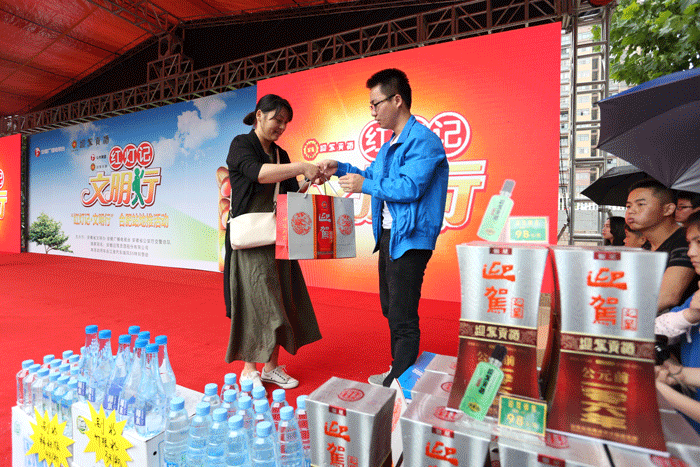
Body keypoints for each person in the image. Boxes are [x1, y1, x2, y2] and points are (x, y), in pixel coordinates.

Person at [319, 68, 449, 387]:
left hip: (411, 239)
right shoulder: (390, 145)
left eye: (375, 104)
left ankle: (400, 382)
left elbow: (410, 187)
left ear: (397, 100)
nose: (372, 112)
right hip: (391, 236)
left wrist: (364, 185)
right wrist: (340, 168)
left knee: (402, 314)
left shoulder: (424, 141)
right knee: (392, 308)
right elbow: (372, 175)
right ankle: (399, 371)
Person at [223, 94, 324, 389]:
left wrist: (312, 178)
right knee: (256, 303)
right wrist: (301, 166)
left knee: (282, 300)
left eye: (285, 122)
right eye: (277, 120)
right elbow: (258, 174)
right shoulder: (241, 144)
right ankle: (249, 370)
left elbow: (291, 192)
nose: (281, 127)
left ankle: (271, 367)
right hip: (251, 240)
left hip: (278, 238)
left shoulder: (281, 154)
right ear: (259, 116)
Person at [655, 212, 700, 435]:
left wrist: (665, 392)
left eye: (699, 243)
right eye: (690, 243)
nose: (691, 252)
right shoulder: (695, 299)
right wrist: (678, 374)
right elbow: (658, 328)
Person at [626, 179, 697, 313]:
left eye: (640, 204)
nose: (631, 211)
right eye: (628, 206)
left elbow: (667, 297)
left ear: (668, 209)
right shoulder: (647, 245)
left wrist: (621, 316)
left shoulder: (686, 241)